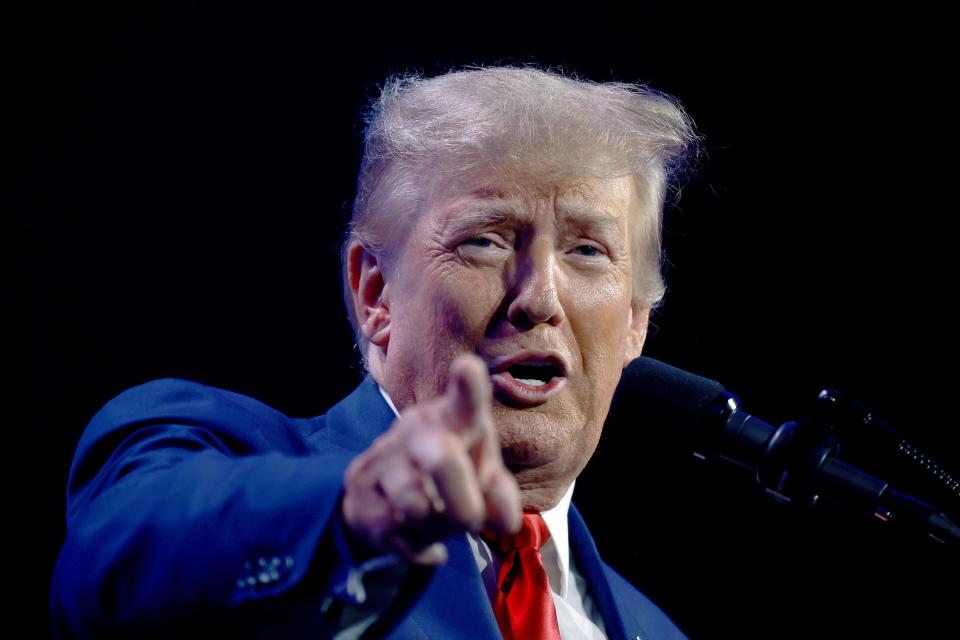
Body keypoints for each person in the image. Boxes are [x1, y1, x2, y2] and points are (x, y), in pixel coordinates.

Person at [50, 66, 697, 639]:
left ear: (636, 323)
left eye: (587, 250)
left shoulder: (655, 630)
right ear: (376, 292)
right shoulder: (229, 459)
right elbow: (109, 568)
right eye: (487, 241)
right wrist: (356, 518)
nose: (539, 298)